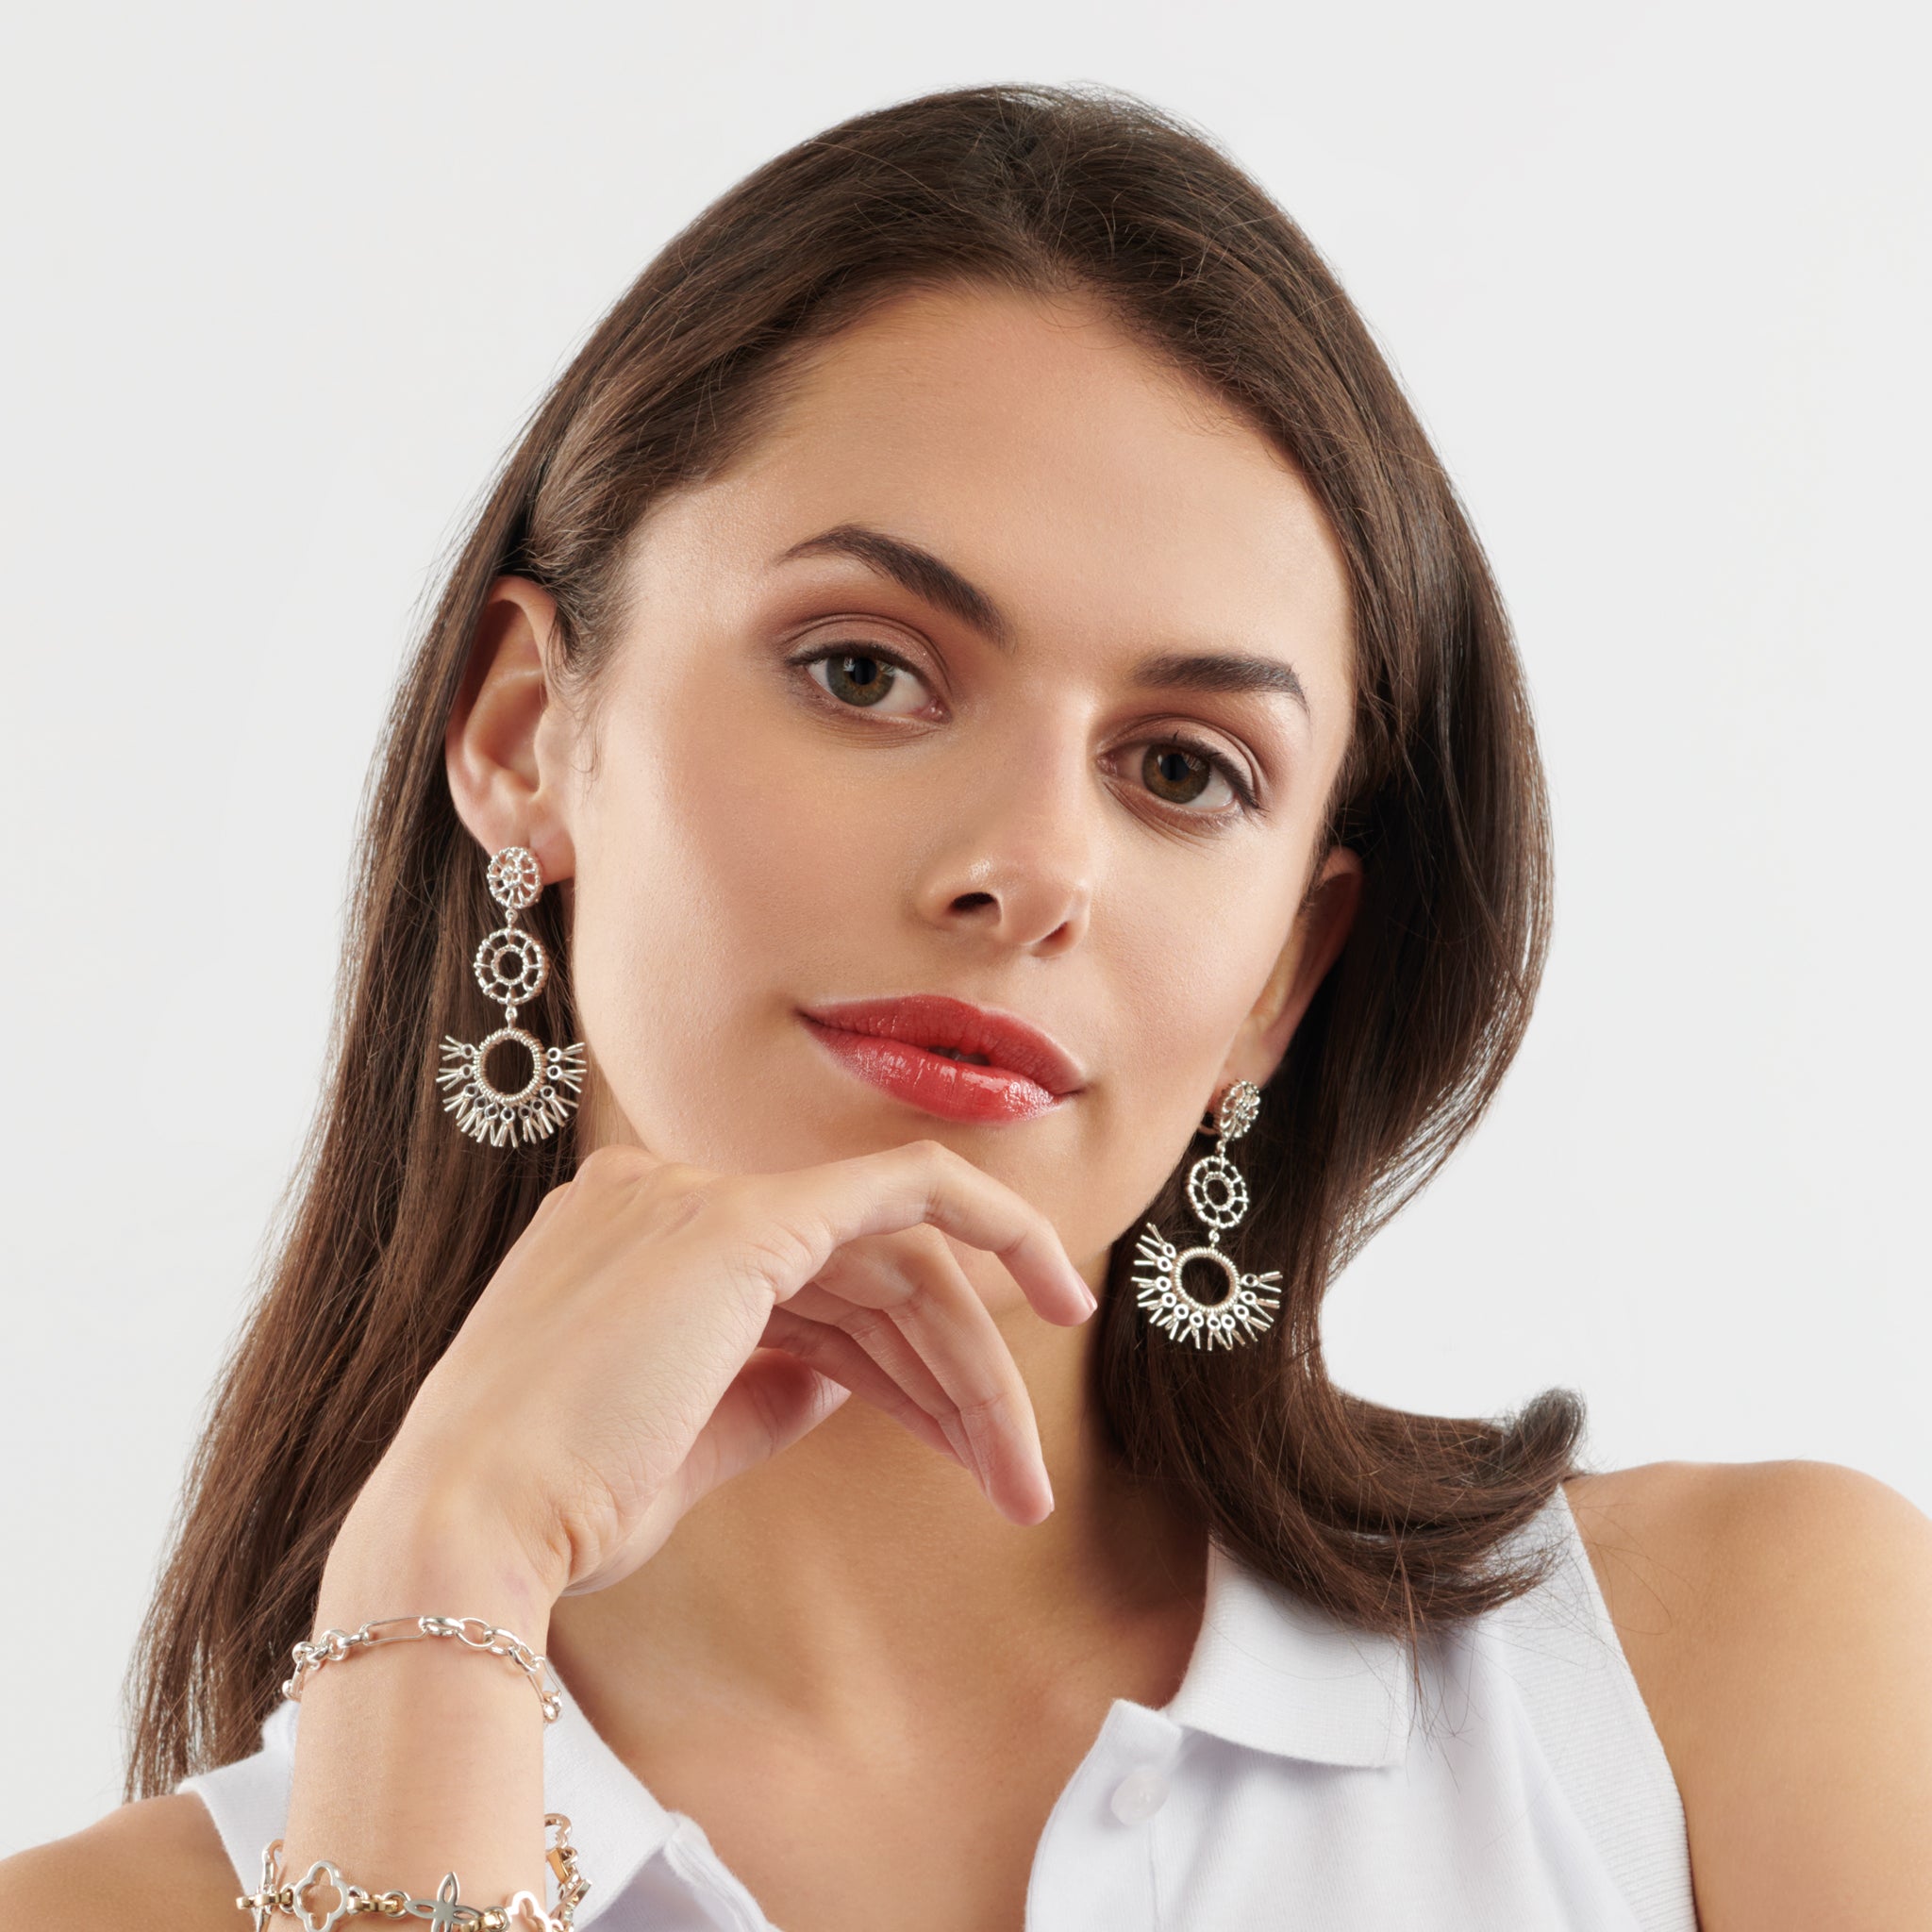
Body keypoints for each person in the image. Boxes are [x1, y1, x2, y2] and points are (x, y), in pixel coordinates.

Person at [6, 81, 1927, 1932]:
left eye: (1183, 771)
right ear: (529, 735)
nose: (1030, 866)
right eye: (864, 669)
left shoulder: (1736, 1683)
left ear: (1286, 965)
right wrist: (440, 1591)